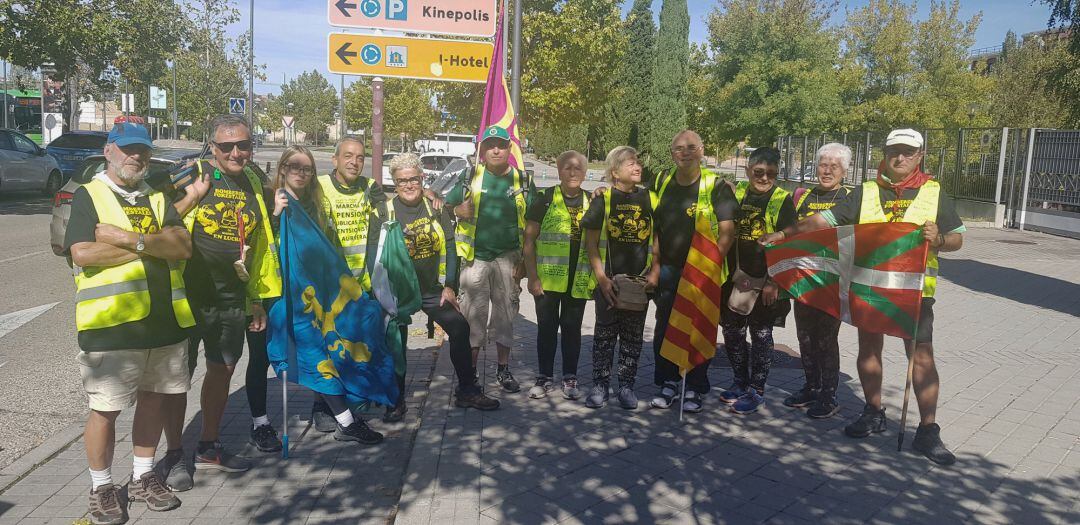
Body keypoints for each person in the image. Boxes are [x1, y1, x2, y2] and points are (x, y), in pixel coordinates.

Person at [760, 129, 964, 465]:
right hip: (869, 288)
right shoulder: (865, 192)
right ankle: (873, 411)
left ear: (920, 155)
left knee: (922, 358)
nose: (900, 158)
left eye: (907, 152)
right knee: (870, 350)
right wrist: (785, 234)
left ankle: (928, 431)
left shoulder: (934, 191)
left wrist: (940, 238)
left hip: (914, 293)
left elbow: (957, 239)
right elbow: (823, 222)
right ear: (885, 154)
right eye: (894, 151)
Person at [65, 122, 192, 523]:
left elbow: (183, 246)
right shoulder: (91, 194)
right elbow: (84, 253)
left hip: (165, 322)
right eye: (128, 149)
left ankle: (142, 476)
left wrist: (128, 240)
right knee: (105, 410)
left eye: (143, 151)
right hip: (111, 326)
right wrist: (153, 246)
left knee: (154, 399)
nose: (136, 157)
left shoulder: (155, 196)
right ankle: (101, 486)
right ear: (109, 151)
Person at [161, 114, 281, 488]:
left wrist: (257, 299)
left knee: (221, 371)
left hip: (231, 298)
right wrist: (193, 196)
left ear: (251, 146)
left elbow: (260, 247)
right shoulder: (190, 173)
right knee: (176, 378)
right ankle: (174, 455)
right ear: (212, 147)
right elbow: (156, 223)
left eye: (242, 145)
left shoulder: (255, 181)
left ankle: (209, 447)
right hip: (186, 295)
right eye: (226, 145)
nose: (235, 152)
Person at [370, 153, 501, 411]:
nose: (409, 185)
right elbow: (372, 255)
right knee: (396, 342)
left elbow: (450, 247)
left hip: (432, 289)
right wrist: (380, 294)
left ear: (422, 179)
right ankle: (395, 400)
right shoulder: (383, 211)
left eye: (414, 179)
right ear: (394, 184)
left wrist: (450, 285)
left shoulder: (436, 208)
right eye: (402, 181)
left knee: (460, 328)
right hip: (398, 292)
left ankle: (466, 390)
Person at [241, 146, 330, 454]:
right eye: (293, 166)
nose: (300, 172)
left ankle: (324, 406)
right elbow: (255, 246)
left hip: (303, 293)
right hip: (267, 293)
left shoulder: (316, 204)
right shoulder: (267, 200)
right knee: (261, 356)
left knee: (312, 348)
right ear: (281, 168)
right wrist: (275, 213)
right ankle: (260, 422)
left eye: (306, 168)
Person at [648, 130, 738, 414]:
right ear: (672, 152)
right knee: (666, 326)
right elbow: (655, 226)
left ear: (701, 151)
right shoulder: (662, 181)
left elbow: (727, 231)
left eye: (690, 147)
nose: (684, 153)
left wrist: (710, 267)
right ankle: (669, 382)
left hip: (702, 272)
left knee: (699, 327)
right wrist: (656, 266)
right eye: (678, 148)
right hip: (670, 271)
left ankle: (696, 387)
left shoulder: (716, 186)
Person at [446, 125, 536, 393]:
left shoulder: (523, 180)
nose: (496, 150)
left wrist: (527, 265)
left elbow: (533, 224)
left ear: (510, 149)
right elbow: (443, 205)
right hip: (475, 259)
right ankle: (471, 374)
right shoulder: (470, 176)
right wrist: (457, 210)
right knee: (473, 317)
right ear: (481, 150)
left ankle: (502, 370)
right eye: (490, 145)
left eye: (501, 145)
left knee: (506, 315)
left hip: (509, 258)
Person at [310, 136, 389, 430]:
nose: (354, 162)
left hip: (359, 284)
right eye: (348, 156)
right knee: (325, 348)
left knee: (350, 346)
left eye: (359, 157)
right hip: (328, 285)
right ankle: (320, 406)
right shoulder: (319, 186)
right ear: (335, 160)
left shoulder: (370, 188)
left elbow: (387, 217)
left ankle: (349, 403)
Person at [580, 146, 659, 409]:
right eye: (630, 164)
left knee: (633, 338)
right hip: (609, 282)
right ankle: (600, 386)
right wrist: (601, 277)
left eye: (638, 163)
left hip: (639, 282)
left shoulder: (651, 198)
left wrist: (655, 270)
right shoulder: (603, 199)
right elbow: (590, 243)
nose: (637, 167)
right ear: (615, 172)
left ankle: (627, 387)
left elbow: (658, 238)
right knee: (604, 337)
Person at [719, 147, 796, 415]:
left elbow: (790, 242)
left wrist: (775, 282)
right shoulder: (736, 192)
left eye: (771, 173)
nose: (764, 178)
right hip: (735, 277)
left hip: (766, 279)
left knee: (761, 335)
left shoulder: (783, 199)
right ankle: (739, 381)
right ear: (749, 170)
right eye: (759, 172)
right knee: (732, 331)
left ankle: (757, 390)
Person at [781, 143, 853, 419]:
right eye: (824, 165)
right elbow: (787, 232)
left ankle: (829, 394)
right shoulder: (802, 197)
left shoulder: (850, 197)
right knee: (805, 335)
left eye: (834, 166)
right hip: (804, 277)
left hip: (834, 280)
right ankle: (810, 386)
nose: (827, 171)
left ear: (844, 171)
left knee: (826, 338)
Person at [522, 150, 591, 400]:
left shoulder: (593, 201)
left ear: (585, 173)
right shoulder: (545, 199)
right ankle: (544, 376)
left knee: (572, 329)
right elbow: (529, 240)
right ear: (559, 171)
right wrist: (532, 277)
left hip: (578, 278)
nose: (572, 173)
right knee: (547, 328)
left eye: (577, 169)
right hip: (548, 279)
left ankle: (570, 377)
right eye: (567, 168)